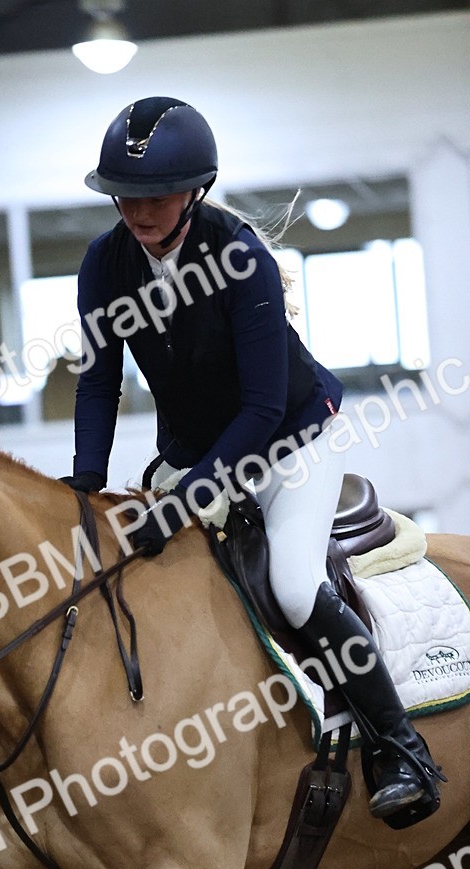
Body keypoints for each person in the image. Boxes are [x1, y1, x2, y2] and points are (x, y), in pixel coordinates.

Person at [60, 95, 443, 826]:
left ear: (194, 191)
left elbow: (265, 409)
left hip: (289, 442)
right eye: (125, 196)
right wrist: (84, 480)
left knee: (295, 589)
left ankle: (402, 747)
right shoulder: (103, 264)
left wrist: (186, 497)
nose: (137, 211)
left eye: (156, 196)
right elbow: (99, 378)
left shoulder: (239, 257)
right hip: (195, 451)